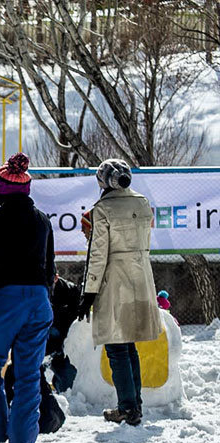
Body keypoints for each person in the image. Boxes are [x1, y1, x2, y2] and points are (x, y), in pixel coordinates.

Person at [0, 153, 54, 443]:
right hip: (39, 300)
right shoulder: (44, 219)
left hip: (6, 298)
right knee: (28, 373)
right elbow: (50, 267)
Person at [78, 159, 160, 426]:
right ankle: (135, 404)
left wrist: (88, 291)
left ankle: (127, 408)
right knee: (130, 344)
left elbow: (98, 254)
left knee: (116, 346)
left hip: (114, 281)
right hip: (141, 277)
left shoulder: (102, 209)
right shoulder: (142, 203)